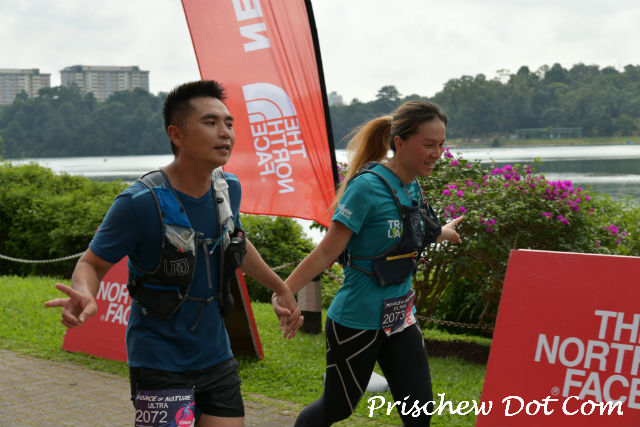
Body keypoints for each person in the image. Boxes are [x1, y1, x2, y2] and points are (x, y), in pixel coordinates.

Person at [45, 80, 303, 427]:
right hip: (159, 360)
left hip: (217, 356)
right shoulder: (139, 202)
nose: (225, 133)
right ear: (176, 134)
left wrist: (280, 287)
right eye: (210, 122)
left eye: (229, 123)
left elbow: (234, 241)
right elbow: (92, 262)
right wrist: (85, 293)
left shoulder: (228, 188)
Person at [277, 101, 463, 426]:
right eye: (429, 145)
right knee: (337, 408)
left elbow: (414, 229)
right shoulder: (366, 188)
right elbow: (326, 251)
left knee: (419, 411)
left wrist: (443, 232)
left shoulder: (413, 186)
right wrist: (284, 291)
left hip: (400, 318)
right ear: (400, 142)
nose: (437, 153)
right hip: (357, 320)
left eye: (441, 145)